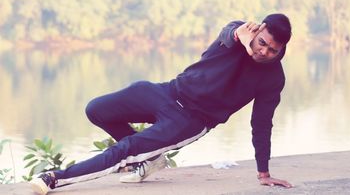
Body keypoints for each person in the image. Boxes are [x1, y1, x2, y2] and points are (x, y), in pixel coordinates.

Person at [30, 13, 293, 194]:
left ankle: (55, 177)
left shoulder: (272, 78)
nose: (264, 52)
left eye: (273, 50)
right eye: (262, 43)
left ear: (281, 50)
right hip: (167, 92)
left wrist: (263, 173)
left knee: (127, 148)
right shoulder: (236, 33)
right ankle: (151, 157)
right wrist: (241, 37)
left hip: (191, 120)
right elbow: (230, 32)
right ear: (256, 30)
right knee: (96, 109)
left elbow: (261, 124)